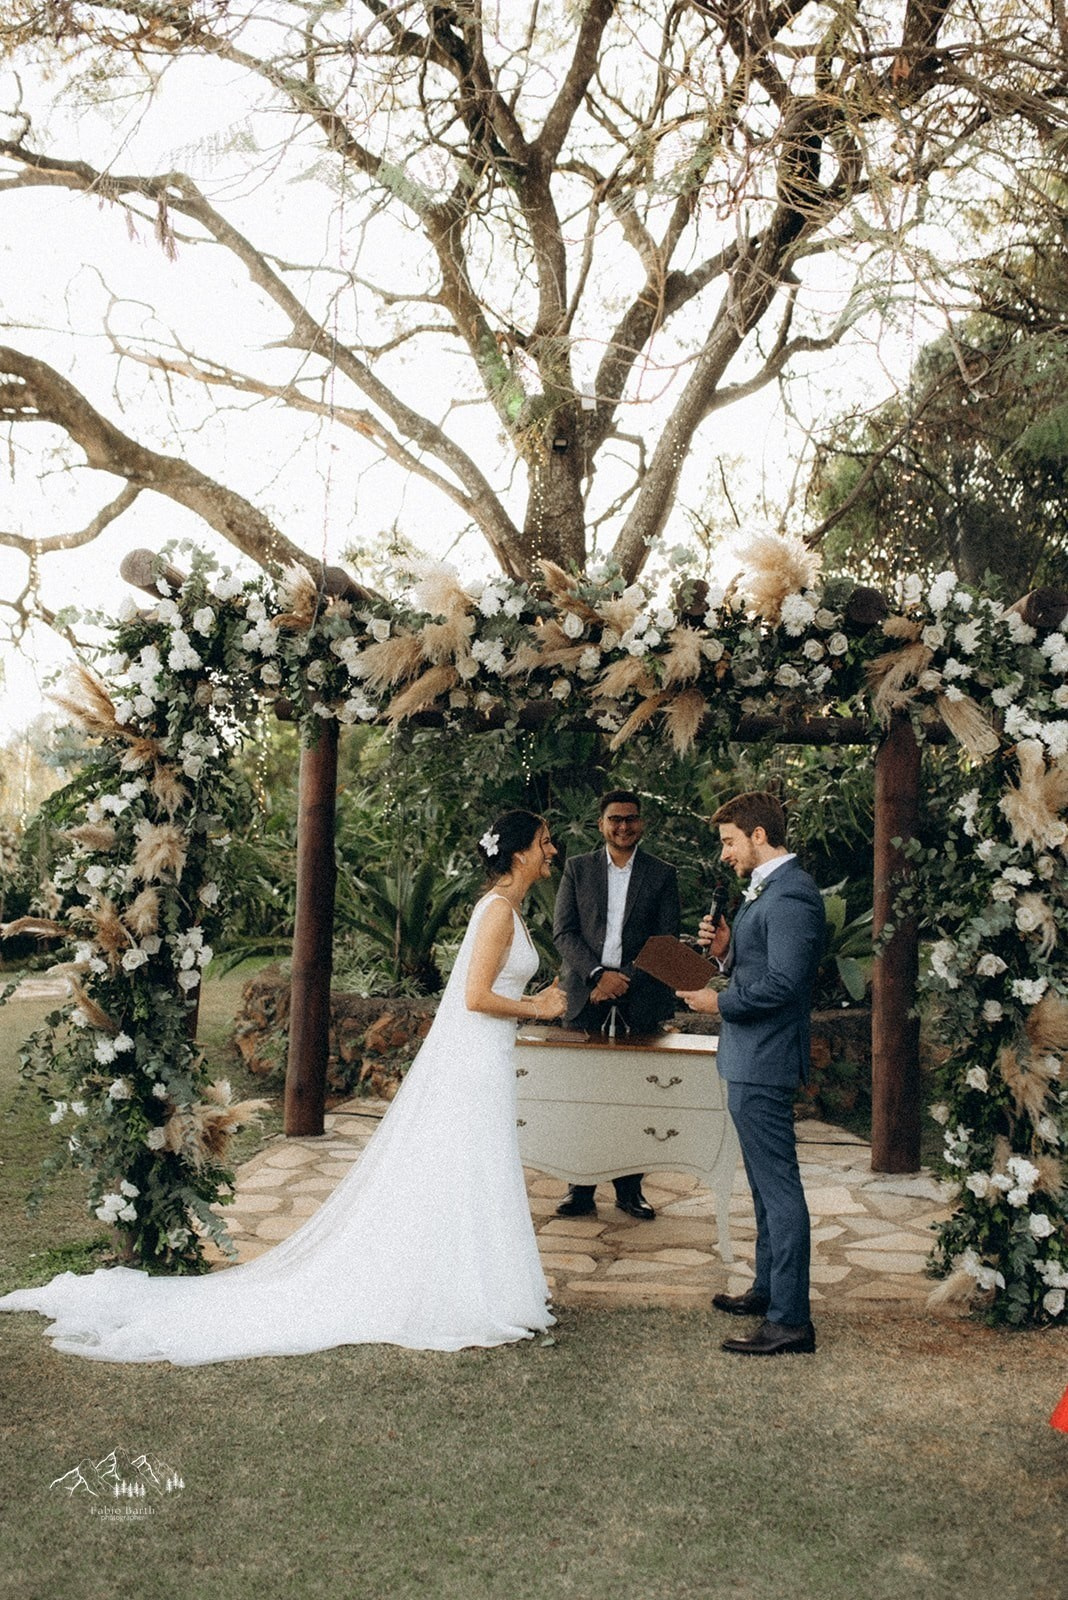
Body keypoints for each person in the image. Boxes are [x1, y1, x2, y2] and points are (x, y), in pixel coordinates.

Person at [0, 812, 567, 1365]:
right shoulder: (496, 912)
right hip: (473, 1062)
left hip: (483, 1059)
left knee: (478, 1165)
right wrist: (536, 1006)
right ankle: (466, 1289)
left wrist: (537, 999)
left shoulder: (506, 911)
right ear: (518, 853)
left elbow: (488, 992)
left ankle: (481, 1281)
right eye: (544, 841)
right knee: (472, 1162)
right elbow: (473, 997)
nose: (552, 850)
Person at [677, 791, 825, 1357]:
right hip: (749, 1056)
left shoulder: (792, 895)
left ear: (758, 836)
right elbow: (760, 965)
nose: (725, 854)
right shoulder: (769, 891)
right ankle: (768, 1290)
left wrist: (719, 1003)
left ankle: (791, 1320)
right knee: (764, 1186)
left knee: (779, 1188)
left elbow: (786, 984)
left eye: (729, 841)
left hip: (765, 1058)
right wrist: (723, 952)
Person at [552, 789, 681, 1221]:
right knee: (583, 1094)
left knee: (635, 1095)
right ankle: (579, 1188)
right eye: (614, 819)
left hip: (640, 995)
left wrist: (622, 979)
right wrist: (596, 976)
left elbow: (665, 942)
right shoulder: (577, 869)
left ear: (641, 822)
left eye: (630, 819)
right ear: (601, 824)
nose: (623, 826)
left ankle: (630, 1190)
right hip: (586, 993)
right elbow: (564, 933)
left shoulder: (662, 874)